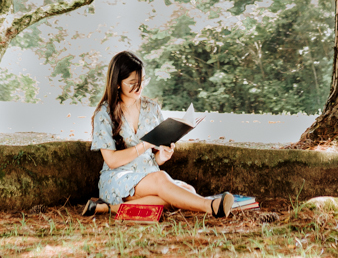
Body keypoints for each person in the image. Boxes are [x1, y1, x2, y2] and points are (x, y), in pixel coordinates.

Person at [83, 50, 233, 218]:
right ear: (117, 83)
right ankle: (210, 206)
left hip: (149, 174)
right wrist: (144, 145)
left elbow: (154, 158)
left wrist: (162, 156)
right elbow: (111, 161)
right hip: (118, 178)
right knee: (166, 185)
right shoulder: (104, 113)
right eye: (132, 82)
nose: (139, 86)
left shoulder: (152, 108)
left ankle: (108, 208)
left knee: (186, 191)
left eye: (142, 80)